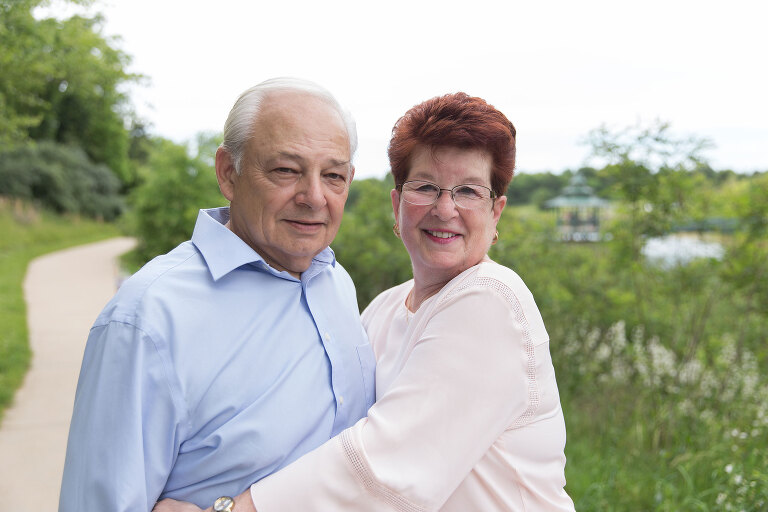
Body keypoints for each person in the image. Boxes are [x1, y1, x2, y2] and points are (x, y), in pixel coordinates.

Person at [157, 92, 575, 512]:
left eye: (468, 191)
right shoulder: (385, 308)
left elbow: (384, 469)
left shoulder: (491, 301)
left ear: (495, 212)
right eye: (425, 187)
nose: (445, 208)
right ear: (397, 206)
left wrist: (228, 510)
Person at [58, 78, 376, 511]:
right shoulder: (146, 317)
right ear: (229, 172)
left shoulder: (336, 283)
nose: (314, 197)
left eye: (334, 176)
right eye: (286, 170)